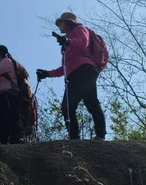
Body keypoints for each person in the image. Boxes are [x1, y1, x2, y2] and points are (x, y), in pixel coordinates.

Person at [36, 12, 107, 140]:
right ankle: (98, 135)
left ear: (68, 22)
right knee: (90, 103)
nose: (59, 25)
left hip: (83, 71)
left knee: (68, 106)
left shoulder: (79, 29)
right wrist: (47, 73)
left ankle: (75, 138)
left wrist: (68, 41)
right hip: (82, 72)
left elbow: (83, 43)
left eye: (60, 22)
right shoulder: (67, 41)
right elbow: (66, 67)